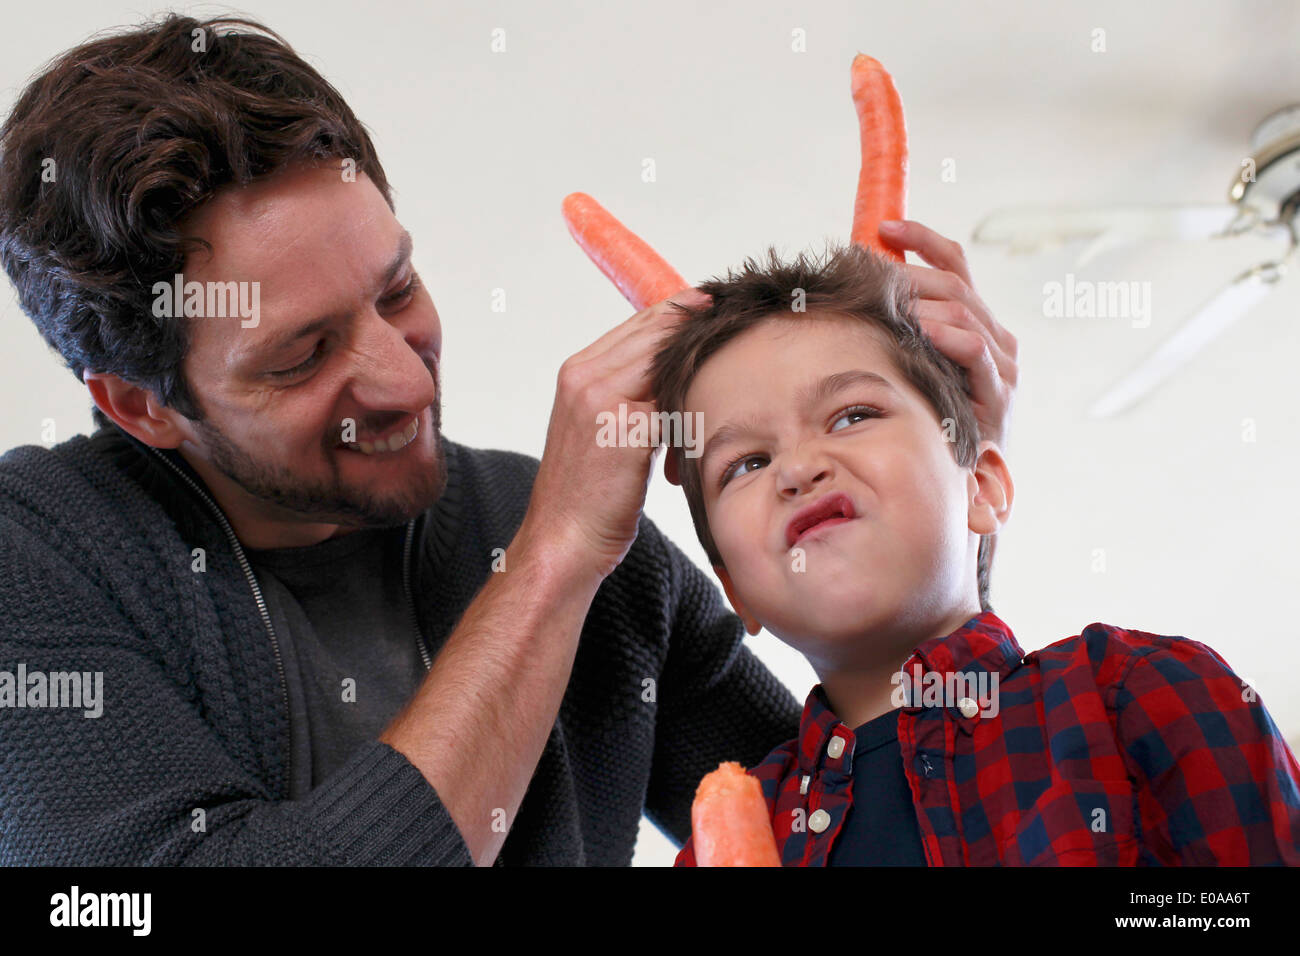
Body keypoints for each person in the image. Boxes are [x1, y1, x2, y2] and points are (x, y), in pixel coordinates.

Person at [0, 15, 1015, 865]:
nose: (404, 380)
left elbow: (864, 818)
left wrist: (940, 457)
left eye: (398, 290)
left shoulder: (589, 553)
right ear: (141, 405)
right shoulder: (35, 556)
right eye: (304, 354)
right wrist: (551, 561)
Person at [653, 242, 1300, 865]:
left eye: (852, 415)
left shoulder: (1142, 692)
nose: (796, 468)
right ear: (735, 588)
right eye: (747, 463)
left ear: (982, 487)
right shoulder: (730, 834)